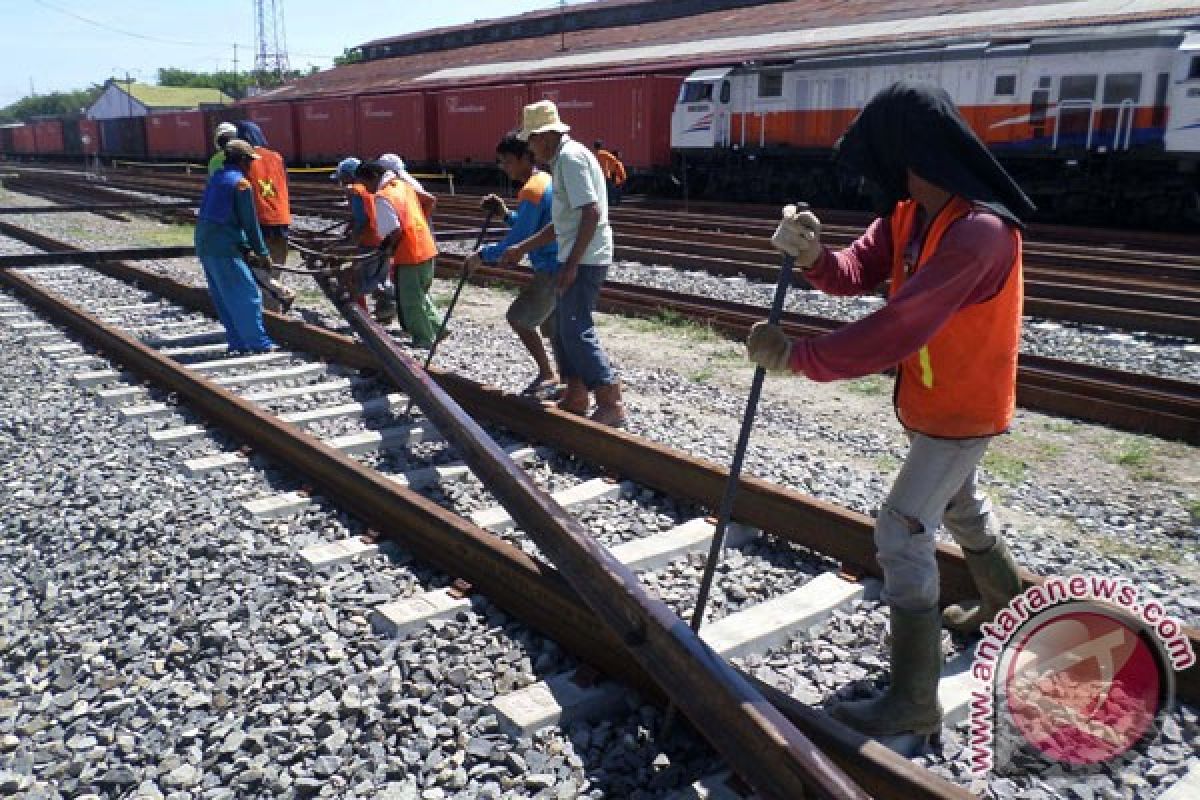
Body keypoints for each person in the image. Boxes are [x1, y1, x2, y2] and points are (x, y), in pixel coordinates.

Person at [745, 82, 1033, 739]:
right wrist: (813, 254)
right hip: (931, 404)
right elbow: (854, 272)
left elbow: (901, 325)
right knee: (961, 507)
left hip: (963, 410)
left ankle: (912, 699)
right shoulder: (909, 212)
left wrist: (797, 357)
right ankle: (1007, 607)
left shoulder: (979, 234)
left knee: (902, 531)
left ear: (907, 152)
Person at [501, 101, 626, 427]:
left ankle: (609, 399)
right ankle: (576, 394)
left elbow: (591, 213)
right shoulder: (562, 161)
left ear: (544, 136)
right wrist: (523, 247)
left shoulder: (570, 160)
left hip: (585, 258)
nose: (529, 147)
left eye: (531, 140)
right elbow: (562, 222)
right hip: (573, 255)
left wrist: (571, 265)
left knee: (575, 326)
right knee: (562, 326)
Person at [466, 133, 560, 397]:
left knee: (519, 318)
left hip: (551, 267)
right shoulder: (544, 182)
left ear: (525, 158)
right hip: (559, 263)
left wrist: (482, 255)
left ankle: (548, 374)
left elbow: (518, 240)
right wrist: (506, 214)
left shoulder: (532, 189)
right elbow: (530, 226)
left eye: (507, 161)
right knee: (553, 327)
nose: (504, 167)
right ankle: (565, 380)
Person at [194, 139, 275, 354]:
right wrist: (263, 253)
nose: (251, 166)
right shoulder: (241, 184)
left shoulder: (216, 178)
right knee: (247, 294)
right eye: (250, 161)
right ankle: (259, 343)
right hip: (224, 246)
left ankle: (238, 342)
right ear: (242, 161)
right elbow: (250, 223)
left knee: (223, 296)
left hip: (204, 243)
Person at [357, 159, 441, 348]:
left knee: (410, 300)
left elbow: (395, 231)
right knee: (420, 294)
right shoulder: (402, 185)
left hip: (410, 253)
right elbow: (429, 200)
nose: (367, 190)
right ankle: (438, 328)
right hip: (427, 246)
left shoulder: (382, 196)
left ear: (373, 177)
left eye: (365, 184)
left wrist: (385, 250)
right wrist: (418, 225)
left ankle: (424, 339)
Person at [235, 120, 295, 312]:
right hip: (282, 220)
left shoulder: (245, 158)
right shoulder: (277, 157)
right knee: (274, 271)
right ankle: (274, 316)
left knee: (256, 272)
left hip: (259, 220)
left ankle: (280, 295)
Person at [332, 156, 396, 324]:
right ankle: (385, 312)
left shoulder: (355, 190)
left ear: (349, 175)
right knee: (382, 277)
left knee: (360, 280)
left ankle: (361, 315)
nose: (340, 182)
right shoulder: (373, 187)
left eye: (342, 177)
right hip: (384, 237)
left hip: (369, 240)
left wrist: (353, 239)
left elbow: (362, 218)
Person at [593, 140, 626, 207]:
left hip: (596, 175)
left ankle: (600, 202)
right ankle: (609, 202)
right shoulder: (604, 153)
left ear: (594, 146)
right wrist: (612, 168)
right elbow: (614, 159)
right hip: (605, 174)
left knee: (598, 189)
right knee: (609, 189)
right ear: (601, 146)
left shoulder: (592, 154)